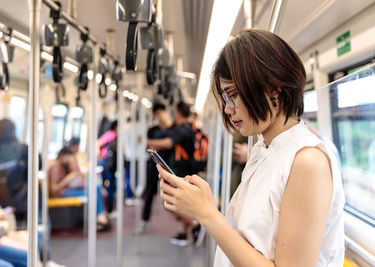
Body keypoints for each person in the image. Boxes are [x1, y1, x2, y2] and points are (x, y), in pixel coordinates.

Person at [157, 29, 345, 266]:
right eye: (225, 98)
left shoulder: (307, 162)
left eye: (233, 94)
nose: (227, 109)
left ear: (273, 88)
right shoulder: (263, 149)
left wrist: (207, 213)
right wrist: (201, 200)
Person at [148, 102, 203, 247]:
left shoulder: (182, 129)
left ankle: (195, 226)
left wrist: (148, 142)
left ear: (178, 113)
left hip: (181, 171)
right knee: (180, 202)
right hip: (187, 169)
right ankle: (184, 233)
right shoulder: (190, 128)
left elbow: (168, 143)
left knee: (171, 204)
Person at [48, 147, 110, 231]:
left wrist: (73, 164)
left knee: (96, 188)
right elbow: (54, 190)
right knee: (93, 190)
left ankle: (99, 215)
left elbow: (78, 173)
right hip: (61, 193)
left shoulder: (63, 166)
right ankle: (99, 216)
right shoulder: (55, 168)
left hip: (67, 190)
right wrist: (68, 179)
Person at [136, 103, 173, 233]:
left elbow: (170, 144)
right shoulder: (153, 130)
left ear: (165, 111)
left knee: (173, 194)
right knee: (149, 193)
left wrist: (153, 143)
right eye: (156, 114)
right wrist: (158, 144)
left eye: (160, 113)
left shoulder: (173, 129)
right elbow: (149, 147)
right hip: (153, 166)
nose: (159, 116)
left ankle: (187, 223)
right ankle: (144, 221)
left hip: (169, 166)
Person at [98, 120, 118, 216]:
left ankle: (106, 210)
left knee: (108, 186)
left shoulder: (114, 136)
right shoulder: (111, 135)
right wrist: (100, 157)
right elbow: (98, 143)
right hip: (107, 164)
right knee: (109, 187)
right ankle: (109, 210)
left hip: (109, 163)